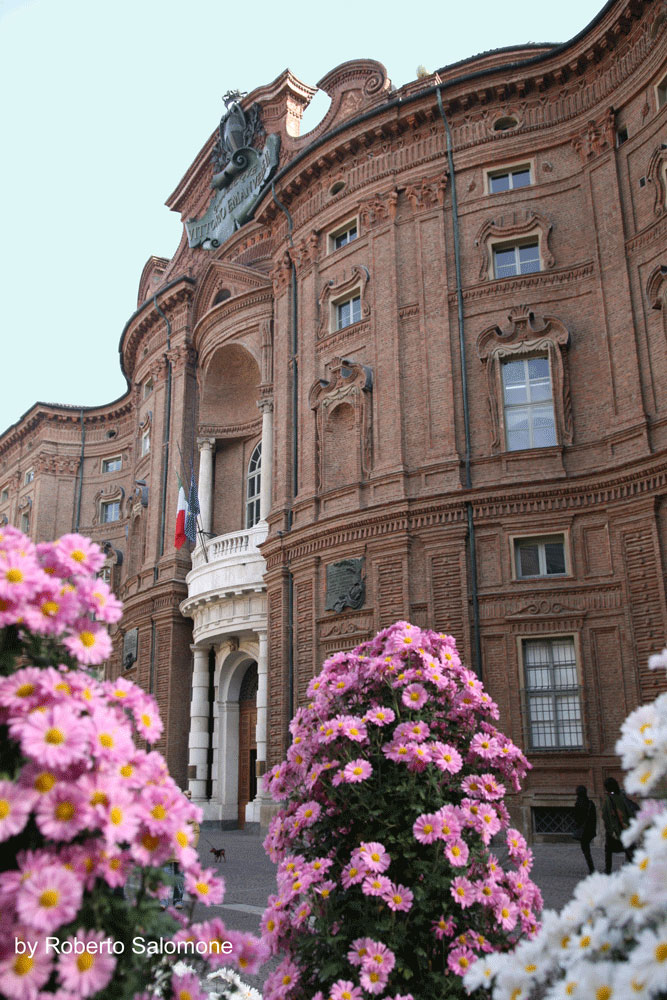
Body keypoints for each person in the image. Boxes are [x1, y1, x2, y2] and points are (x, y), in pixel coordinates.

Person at [601, 776, 637, 874]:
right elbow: (630, 812)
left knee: (608, 850)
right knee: (628, 849)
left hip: (615, 830)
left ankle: (608, 870)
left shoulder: (609, 799)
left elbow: (605, 815)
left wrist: (609, 829)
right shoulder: (621, 797)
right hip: (626, 828)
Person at [573, 785, 597, 874]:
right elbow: (594, 817)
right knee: (586, 849)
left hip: (583, 830)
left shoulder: (578, 803)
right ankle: (591, 868)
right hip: (590, 829)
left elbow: (577, 818)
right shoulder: (590, 803)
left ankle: (591, 868)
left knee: (586, 850)